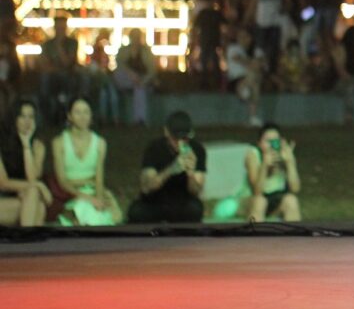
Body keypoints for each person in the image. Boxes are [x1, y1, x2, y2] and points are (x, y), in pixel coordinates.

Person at [51, 97, 122, 225]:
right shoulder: (59, 142)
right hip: (70, 193)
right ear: (70, 116)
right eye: (77, 112)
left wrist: (98, 198)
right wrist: (89, 198)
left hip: (91, 189)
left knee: (111, 215)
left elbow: (99, 178)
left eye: (86, 112)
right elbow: (62, 181)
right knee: (83, 211)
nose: (82, 117)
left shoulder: (100, 143)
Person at [127, 110, 207, 223]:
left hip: (183, 203)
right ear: (166, 132)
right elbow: (147, 187)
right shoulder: (154, 148)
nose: (179, 142)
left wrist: (190, 173)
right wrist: (171, 170)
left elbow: (196, 191)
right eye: (175, 138)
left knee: (195, 209)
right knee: (136, 211)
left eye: (184, 138)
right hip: (156, 202)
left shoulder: (197, 150)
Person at [0, 99, 51, 227]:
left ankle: (23, 243)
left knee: (36, 201)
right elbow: (3, 183)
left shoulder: (38, 146)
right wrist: (38, 186)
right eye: (22, 116)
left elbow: (32, 178)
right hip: (3, 199)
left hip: (26, 199)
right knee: (38, 205)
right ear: (14, 118)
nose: (27, 121)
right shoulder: (2, 142)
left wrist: (26, 145)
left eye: (31, 116)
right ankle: (28, 244)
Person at [244, 123, 301, 222]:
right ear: (259, 143)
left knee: (291, 201)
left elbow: (295, 189)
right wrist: (265, 166)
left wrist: (290, 163)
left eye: (275, 140)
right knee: (260, 202)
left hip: (276, 200)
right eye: (267, 141)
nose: (272, 145)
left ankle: (293, 236)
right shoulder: (253, 154)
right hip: (252, 201)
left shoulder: (284, 154)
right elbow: (257, 191)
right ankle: (254, 235)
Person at [246, 0, 287, 80]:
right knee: (260, 51)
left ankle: (272, 76)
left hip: (275, 24)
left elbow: (287, 1)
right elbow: (253, 4)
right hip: (262, 24)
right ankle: (261, 76)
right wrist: (247, 18)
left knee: (273, 52)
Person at [113, 29, 157, 125]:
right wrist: (131, 74)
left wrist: (143, 81)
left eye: (138, 37)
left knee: (139, 89)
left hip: (141, 81)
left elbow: (152, 70)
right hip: (125, 80)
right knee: (120, 74)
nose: (136, 39)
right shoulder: (123, 51)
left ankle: (140, 120)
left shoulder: (146, 52)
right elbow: (119, 65)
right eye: (134, 36)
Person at [224, 27, 264, 127]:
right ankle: (245, 92)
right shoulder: (233, 48)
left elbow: (261, 64)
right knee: (253, 77)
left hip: (250, 80)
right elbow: (238, 59)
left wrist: (253, 64)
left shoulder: (255, 50)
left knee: (255, 82)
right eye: (241, 36)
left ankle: (253, 117)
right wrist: (252, 63)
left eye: (246, 36)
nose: (243, 39)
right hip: (236, 80)